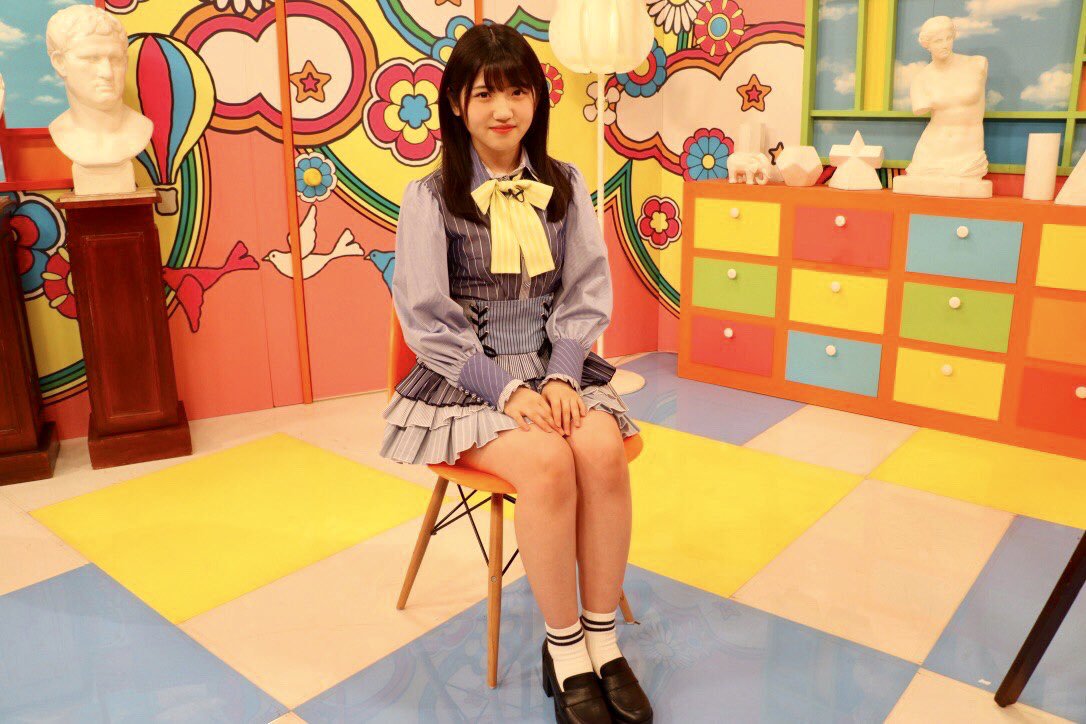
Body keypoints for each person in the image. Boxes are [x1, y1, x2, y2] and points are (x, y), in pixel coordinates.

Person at [380, 23, 652, 724]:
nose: (503, 109)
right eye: (485, 94)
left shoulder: (567, 183)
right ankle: (563, 651)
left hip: (554, 364)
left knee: (600, 450)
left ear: (537, 100)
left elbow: (585, 294)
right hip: (466, 379)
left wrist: (560, 375)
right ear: (457, 104)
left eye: (518, 92)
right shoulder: (428, 197)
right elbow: (426, 320)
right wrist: (505, 390)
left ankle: (603, 642)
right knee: (548, 463)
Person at [892, 15, 993, 198]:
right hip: (932, 150)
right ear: (927, 44)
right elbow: (920, 107)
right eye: (938, 41)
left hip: (968, 151)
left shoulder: (977, 64)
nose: (945, 45)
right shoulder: (922, 79)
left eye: (948, 38)